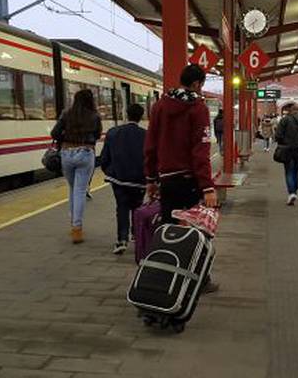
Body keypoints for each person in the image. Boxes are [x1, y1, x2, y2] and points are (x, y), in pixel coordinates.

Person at [144, 64, 219, 292]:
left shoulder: (159, 106)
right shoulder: (198, 108)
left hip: (167, 181)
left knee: (168, 229)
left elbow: (150, 145)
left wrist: (151, 179)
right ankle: (200, 279)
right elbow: (200, 150)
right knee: (196, 230)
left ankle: (164, 279)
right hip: (189, 181)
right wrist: (207, 187)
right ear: (197, 84)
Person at [51, 89, 102, 243]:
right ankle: (76, 228)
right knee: (80, 191)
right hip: (86, 153)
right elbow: (98, 135)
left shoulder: (67, 113)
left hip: (67, 153)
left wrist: (66, 138)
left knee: (73, 189)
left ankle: (74, 224)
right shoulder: (94, 116)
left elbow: (54, 133)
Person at [101, 103, 147, 255]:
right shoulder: (146, 135)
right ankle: (136, 235)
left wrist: (110, 171)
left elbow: (104, 158)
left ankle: (121, 240)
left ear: (126, 114)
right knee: (137, 206)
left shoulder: (113, 132)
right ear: (141, 117)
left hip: (118, 179)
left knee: (121, 207)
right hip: (139, 180)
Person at [275, 103, 298, 205]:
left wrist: (282, 143)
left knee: (289, 171)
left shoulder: (285, 120)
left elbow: (278, 135)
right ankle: (295, 191)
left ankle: (291, 193)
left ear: (290, 111)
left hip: (287, 149)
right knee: (296, 170)